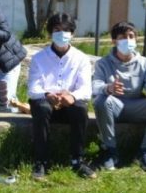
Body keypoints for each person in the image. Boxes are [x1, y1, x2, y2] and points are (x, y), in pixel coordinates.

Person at [92, 21, 146, 171]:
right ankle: (110, 151)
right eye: (123, 37)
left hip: (137, 106)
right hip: (113, 106)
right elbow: (95, 86)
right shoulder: (103, 63)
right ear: (114, 41)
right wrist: (108, 88)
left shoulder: (144, 63)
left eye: (131, 36)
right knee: (100, 101)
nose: (128, 40)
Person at [27, 13, 95, 180]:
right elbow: (33, 88)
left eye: (66, 30)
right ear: (50, 33)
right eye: (57, 30)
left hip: (68, 104)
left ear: (72, 33)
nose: (62, 34)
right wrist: (47, 94)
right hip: (45, 102)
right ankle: (41, 161)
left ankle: (77, 159)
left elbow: (86, 89)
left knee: (80, 109)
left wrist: (71, 96)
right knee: (41, 108)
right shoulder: (39, 58)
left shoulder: (81, 59)